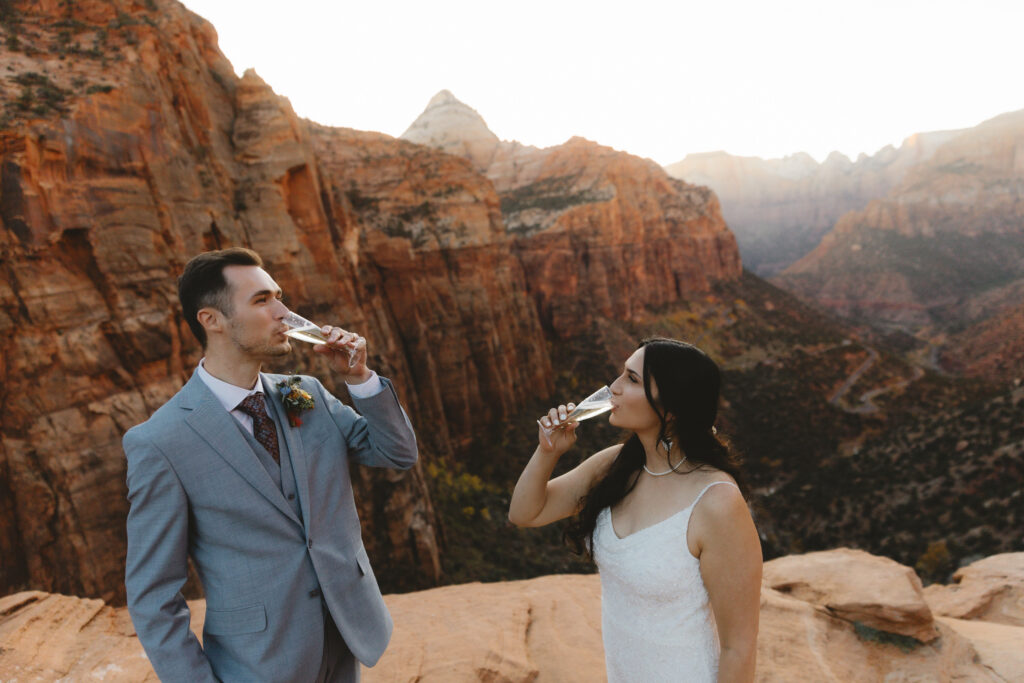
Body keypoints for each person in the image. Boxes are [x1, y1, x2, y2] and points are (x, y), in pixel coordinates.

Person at [124, 248, 418, 682]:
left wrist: (360, 378)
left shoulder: (306, 393)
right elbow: (153, 595)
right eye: (263, 300)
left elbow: (396, 454)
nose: (285, 312)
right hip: (257, 663)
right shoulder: (160, 442)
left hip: (346, 638)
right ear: (212, 320)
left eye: (279, 296)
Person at [509, 338, 761, 682]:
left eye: (631, 379)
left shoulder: (716, 502)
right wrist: (548, 451)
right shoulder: (615, 466)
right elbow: (525, 513)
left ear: (671, 408)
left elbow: (739, 647)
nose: (612, 388)